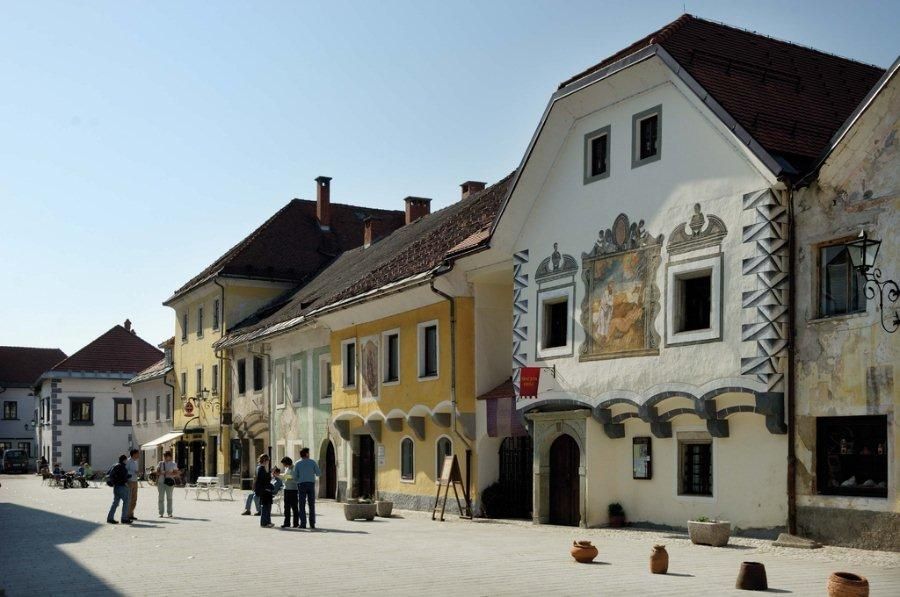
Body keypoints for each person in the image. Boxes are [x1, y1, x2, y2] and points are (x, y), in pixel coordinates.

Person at [293, 448, 321, 530]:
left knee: (301, 504)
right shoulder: (312, 462)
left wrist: (299, 479)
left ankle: (303, 523)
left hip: (301, 485)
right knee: (311, 504)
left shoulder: (297, 463)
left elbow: (295, 477)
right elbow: (318, 473)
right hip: (311, 484)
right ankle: (312, 523)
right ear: (307, 454)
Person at [107, 455, 131, 524]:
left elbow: (109, 474)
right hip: (122, 486)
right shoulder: (122, 467)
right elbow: (123, 477)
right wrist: (128, 478)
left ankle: (110, 518)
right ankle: (124, 518)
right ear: (124, 460)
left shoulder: (114, 465)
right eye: (126, 460)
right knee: (126, 501)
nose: (127, 461)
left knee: (115, 503)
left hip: (116, 486)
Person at [156, 450, 179, 518]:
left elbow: (176, 473)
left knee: (169, 498)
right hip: (161, 482)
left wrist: (169, 473)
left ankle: (169, 513)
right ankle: (161, 513)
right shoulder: (160, 463)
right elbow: (157, 473)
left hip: (170, 482)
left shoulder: (173, 464)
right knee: (161, 498)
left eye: (167, 456)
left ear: (170, 456)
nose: (165, 458)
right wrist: (161, 473)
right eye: (164, 456)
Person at [254, 454, 274, 528]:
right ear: (265, 460)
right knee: (266, 507)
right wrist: (270, 473)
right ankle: (265, 522)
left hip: (263, 490)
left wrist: (269, 473)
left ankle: (267, 522)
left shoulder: (258, 467)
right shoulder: (261, 468)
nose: (268, 462)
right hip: (265, 490)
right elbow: (264, 479)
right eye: (268, 460)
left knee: (266, 506)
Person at [279, 456, 299, 528]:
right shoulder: (287, 468)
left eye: (284, 463)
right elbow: (285, 476)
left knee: (294, 507)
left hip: (293, 489)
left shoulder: (294, 468)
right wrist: (279, 475)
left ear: (287, 463)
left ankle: (296, 523)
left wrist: (285, 477)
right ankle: (287, 523)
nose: (283, 465)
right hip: (286, 489)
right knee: (286, 507)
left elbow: (294, 478)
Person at [125, 449, 140, 522]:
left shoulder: (135, 462)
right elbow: (125, 471)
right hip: (129, 481)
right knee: (129, 498)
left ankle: (131, 514)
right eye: (137, 454)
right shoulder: (128, 461)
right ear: (134, 454)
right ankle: (127, 515)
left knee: (134, 499)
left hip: (135, 481)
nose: (138, 455)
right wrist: (134, 472)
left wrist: (137, 473)